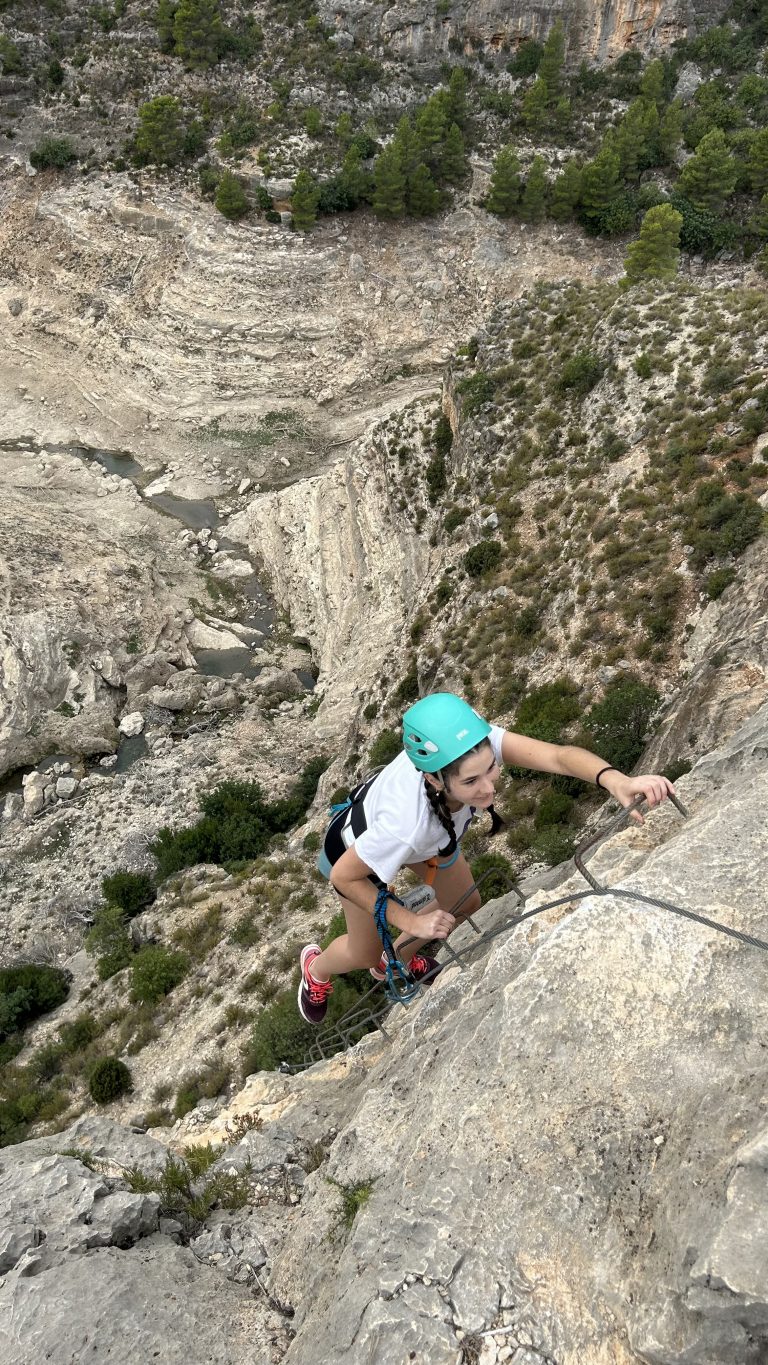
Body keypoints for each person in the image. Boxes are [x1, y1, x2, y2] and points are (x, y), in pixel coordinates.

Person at [298, 692, 675, 1024]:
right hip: (355, 853)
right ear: (434, 779)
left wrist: (616, 780)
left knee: (465, 903)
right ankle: (316, 969)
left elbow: (559, 756)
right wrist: (410, 919)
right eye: (471, 782)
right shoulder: (405, 821)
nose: (489, 788)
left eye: (490, 769)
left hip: (434, 836)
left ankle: (392, 960)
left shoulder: (472, 746)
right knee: (362, 952)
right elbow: (345, 878)